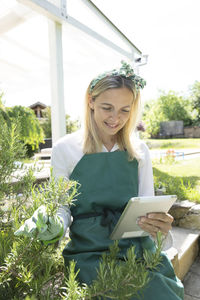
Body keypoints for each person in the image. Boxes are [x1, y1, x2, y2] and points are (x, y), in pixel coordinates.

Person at [15, 61, 184, 299]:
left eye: (125, 110)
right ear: (90, 102)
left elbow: (147, 207)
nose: (116, 118)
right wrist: (51, 223)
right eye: (107, 107)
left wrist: (160, 229)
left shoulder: (139, 150)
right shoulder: (65, 149)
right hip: (89, 251)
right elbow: (62, 207)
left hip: (134, 248)